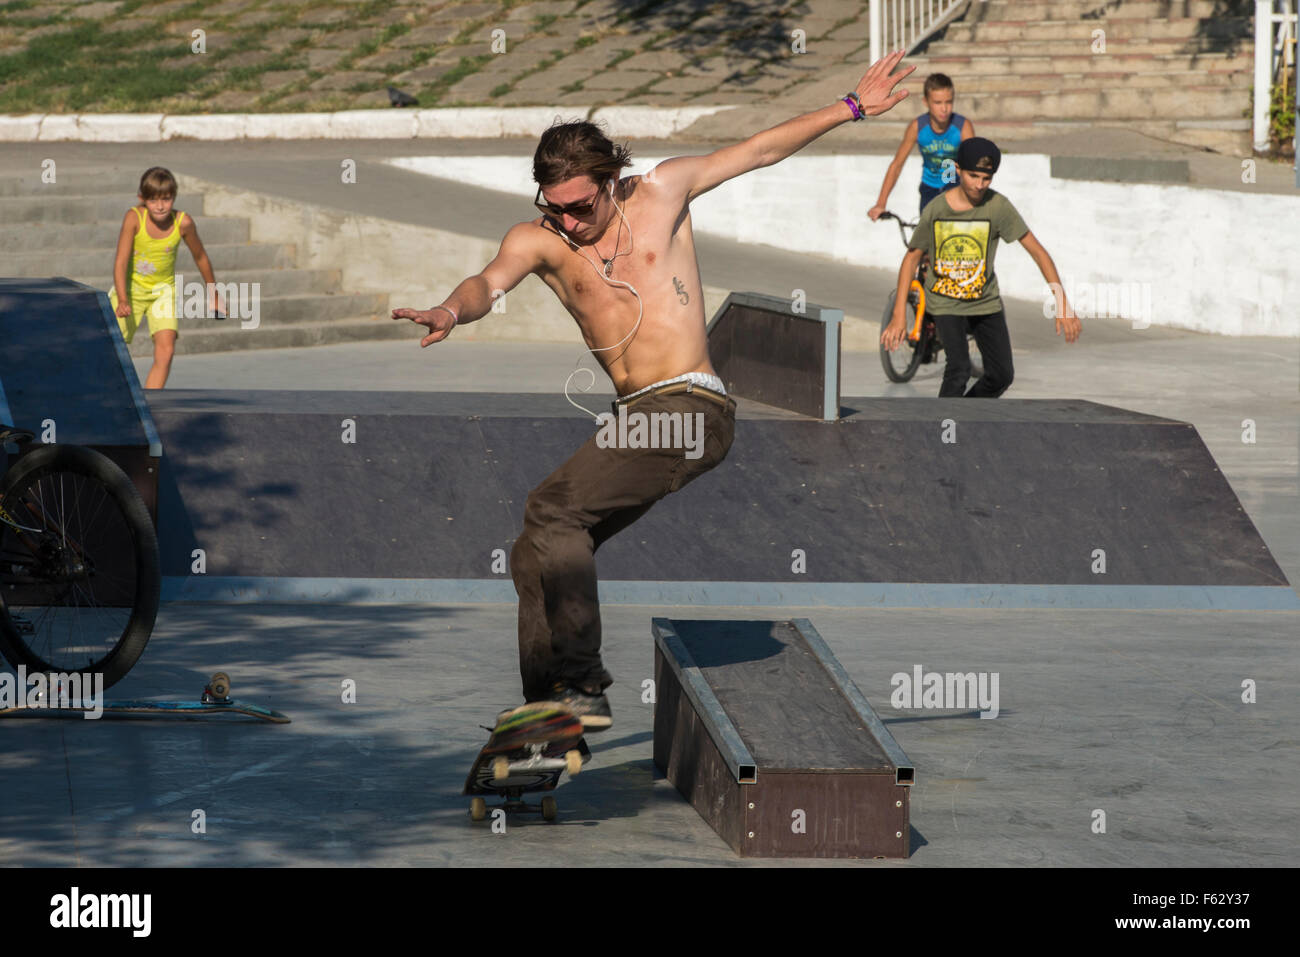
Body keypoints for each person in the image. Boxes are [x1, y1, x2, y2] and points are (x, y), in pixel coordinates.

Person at [394, 51, 915, 731]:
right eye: (553, 209)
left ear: (611, 181)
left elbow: (758, 150)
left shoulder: (664, 192)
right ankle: (547, 713)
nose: (568, 222)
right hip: (641, 417)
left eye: (580, 206)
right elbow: (488, 283)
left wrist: (850, 106)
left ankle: (581, 686)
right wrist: (451, 310)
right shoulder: (541, 240)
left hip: (694, 407)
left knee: (553, 510)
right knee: (537, 548)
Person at [880, 137, 1082, 397]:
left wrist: (1062, 302)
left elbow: (1038, 253)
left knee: (1001, 375)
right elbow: (911, 258)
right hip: (944, 302)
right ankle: (943, 430)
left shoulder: (998, 207)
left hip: (985, 302)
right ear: (959, 170)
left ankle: (963, 419)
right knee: (959, 368)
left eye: (986, 179)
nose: (979, 185)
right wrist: (899, 315)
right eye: (973, 176)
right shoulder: (937, 209)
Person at [109, 167, 221, 389]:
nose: (160, 206)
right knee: (110, 346)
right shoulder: (134, 218)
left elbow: (200, 257)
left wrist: (214, 295)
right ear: (142, 199)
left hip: (163, 293)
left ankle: (151, 405)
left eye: (166, 199)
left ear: (174, 197)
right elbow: (121, 262)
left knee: (166, 350)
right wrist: (122, 299)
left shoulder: (183, 223)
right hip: (131, 291)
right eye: (153, 200)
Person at [869, 72, 973, 220]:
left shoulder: (962, 126)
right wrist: (881, 203)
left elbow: (973, 165)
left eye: (948, 102)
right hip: (929, 189)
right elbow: (897, 165)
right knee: (925, 239)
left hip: (954, 186)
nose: (944, 109)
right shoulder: (918, 127)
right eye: (938, 103)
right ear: (926, 102)